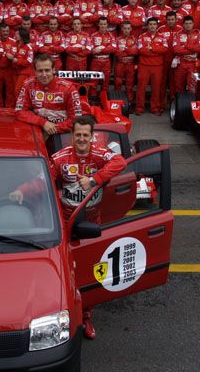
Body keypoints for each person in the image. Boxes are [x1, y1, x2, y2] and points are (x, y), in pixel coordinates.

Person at [9, 115, 127, 339]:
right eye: (78, 135)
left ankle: (86, 317)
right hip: (65, 220)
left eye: (85, 135)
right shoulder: (61, 157)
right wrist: (22, 190)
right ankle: (59, 312)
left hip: (92, 221)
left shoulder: (101, 155)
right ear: (72, 136)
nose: (81, 138)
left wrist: (94, 179)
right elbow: (41, 180)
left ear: (92, 137)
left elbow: (120, 163)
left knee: (90, 268)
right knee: (66, 268)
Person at [15, 53, 82, 136]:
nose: (44, 75)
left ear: (53, 70)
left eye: (47, 70)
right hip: (37, 129)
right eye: (40, 71)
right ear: (35, 71)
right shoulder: (28, 85)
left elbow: (77, 118)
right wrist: (43, 123)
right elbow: (19, 111)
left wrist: (54, 128)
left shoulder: (69, 88)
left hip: (62, 132)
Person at [136, 17, 169, 115]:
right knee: (141, 88)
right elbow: (141, 50)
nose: (152, 26)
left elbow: (164, 49)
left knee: (156, 88)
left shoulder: (162, 37)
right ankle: (139, 108)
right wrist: (156, 50)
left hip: (157, 66)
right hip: (144, 66)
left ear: (157, 26)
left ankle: (154, 108)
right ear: (147, 26)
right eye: (150, 24)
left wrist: (151, 48)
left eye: (154, 24)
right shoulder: (142, 36)